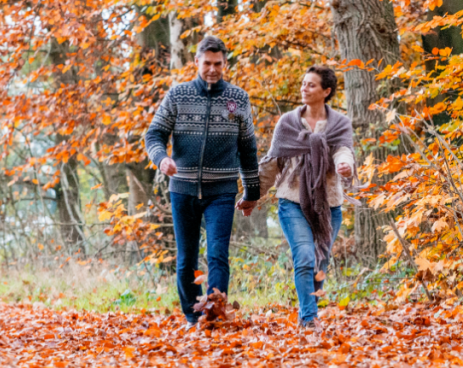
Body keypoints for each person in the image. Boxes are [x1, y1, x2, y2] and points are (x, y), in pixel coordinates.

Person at [145, 36, 260, 327]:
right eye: (206, 63)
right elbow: (154, 134)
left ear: (225, 63)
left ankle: (213, 314)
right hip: (182, 189)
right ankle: (192, 317)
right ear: (196, 62)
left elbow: (248, 148)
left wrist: (252, 191)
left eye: (217, 63)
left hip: (221, 191)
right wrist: (162, 159)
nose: (212, 69)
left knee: (217, 254)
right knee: (186, 260)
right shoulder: (178, 95)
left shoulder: (238, 99)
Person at [240, 66, 356, 331]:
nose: (304, 88)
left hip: (330, 205)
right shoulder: (288, 123)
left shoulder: (339, 124)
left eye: (311, 85)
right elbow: (272, 163)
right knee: (304, 256)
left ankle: (309, 309)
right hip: (292, 202)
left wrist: (344, 165)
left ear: (326, 91)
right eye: (303, 84)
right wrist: (252, 196)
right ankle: (309, 318)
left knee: (320, 262)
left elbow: (343, 151)